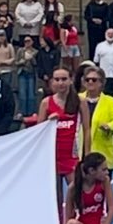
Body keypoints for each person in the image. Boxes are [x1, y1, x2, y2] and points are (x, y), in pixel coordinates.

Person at [37, 66, 82, 199]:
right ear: (52, 82)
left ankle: (75, 219)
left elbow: (87, 129)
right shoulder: (46, 102)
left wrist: (87, 153)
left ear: (71, 80)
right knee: (55, 196)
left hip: (72, 156)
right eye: (57, 79)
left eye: (64, 79)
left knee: (76, 194)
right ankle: (58, 220)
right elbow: (39, 132)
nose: (61, 83)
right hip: (53, 155)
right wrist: (49, 122)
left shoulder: (79, 101)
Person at [63, 152, 113, 224]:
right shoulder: (74, 187)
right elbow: (66, 217)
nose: (107, 172)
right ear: (92, 171)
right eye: (104, 169)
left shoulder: (105, 182)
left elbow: (112, 208)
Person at [80, 66, 113, 171]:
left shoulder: (111, 102)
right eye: (87, 79)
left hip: (102, 151)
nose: (90, 82)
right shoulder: (77, 99)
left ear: (101, 83)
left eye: (94, 80)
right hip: (80, 150)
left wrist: (110, 126)